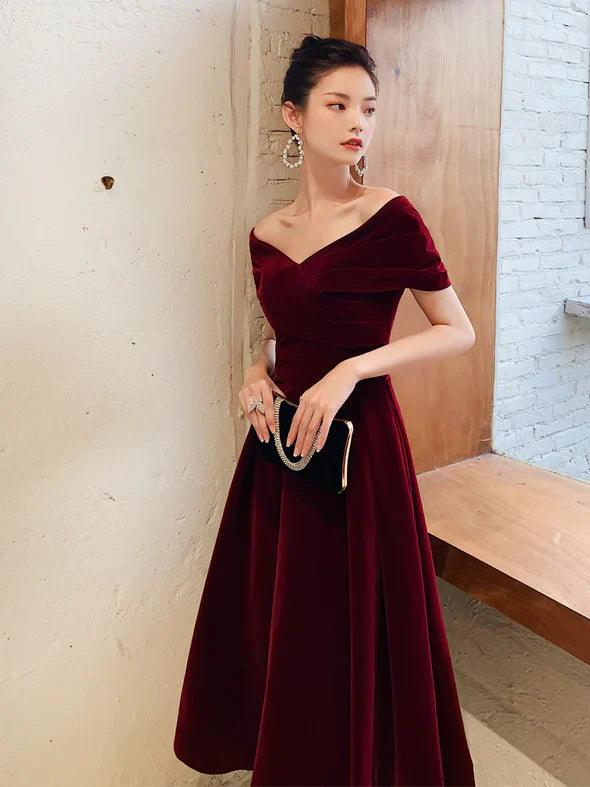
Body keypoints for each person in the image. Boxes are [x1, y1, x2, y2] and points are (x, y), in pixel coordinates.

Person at [174, 34, 477, 787]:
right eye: (338, 105)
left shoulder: (392, 217)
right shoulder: (265, 235)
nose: (357, 123)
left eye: (368, 108)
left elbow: (457, 330)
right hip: (281, 453)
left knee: (356, 628)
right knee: (290, 628)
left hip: (361, 451)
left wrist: (353, 368)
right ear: (294, 115)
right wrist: (255, 370)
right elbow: (287, 336)